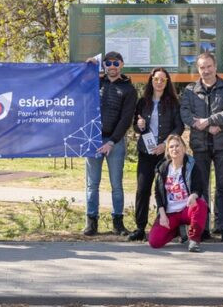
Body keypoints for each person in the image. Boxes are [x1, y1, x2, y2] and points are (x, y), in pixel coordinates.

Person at [179, 52, 223, 242]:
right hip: (200, 145)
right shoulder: (190, 90)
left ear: (215, 66)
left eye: (209, 66)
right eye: (202, 67)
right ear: (198, 69)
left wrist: (210, 120)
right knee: (201, 187)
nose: (206, 70)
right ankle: (202, 227)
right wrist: (204, 126)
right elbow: (185, 113)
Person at [84, 51, 137, 236]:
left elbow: (126, 119)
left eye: (116, 63)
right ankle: (91, 222)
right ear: (104, 65)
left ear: (121, 65)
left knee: (117, 185)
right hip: (93, 140)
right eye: (108, 63)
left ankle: (118, 223)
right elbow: (79, 89)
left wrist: (112, 142)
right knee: (92, 184)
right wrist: (88, 67)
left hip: (115, 142)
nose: (112, 66)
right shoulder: (96, 83)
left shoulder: (129, 89)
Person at [129, 67, 183, 241]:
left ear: (167, 82)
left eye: (162, 80)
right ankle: (140, 228)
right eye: (156, 79)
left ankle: (170, 227)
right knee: (142, 189)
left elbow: (179, 127)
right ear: (151, 81)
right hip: (146, 152)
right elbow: (136, 126)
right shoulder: (142, 102)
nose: (159, 82)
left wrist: (165, 145)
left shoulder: (173, 103)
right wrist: (140, 126)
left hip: (165, 154)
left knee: (167, 190)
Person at [148, 134, 208, 253]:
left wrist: (193, 195)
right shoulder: (162, 168)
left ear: (184, 148)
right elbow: (158, 193)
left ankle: (194, 240)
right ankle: (179, 230)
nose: (174, 149)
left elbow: (199, 187)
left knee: (200, 204)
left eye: (177, 146)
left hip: (187, 209)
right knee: (155, 242)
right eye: (171, 147)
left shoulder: (192, 166)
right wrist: (162, 214)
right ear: (168, 151)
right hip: (170, 213)